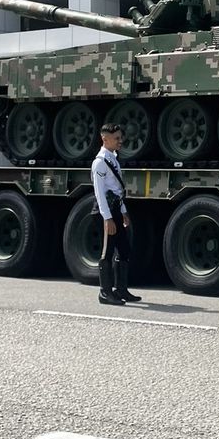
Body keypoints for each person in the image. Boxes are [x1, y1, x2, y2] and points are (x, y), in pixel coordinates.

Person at [91, 123, 141, 306]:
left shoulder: (112, 158)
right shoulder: (100, 162)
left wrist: (123, 212)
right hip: (105, 213)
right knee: (107, 252)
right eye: (117, 138)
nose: (121, 141)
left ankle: (121, 289)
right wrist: (107, 218)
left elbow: (116, 191)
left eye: (121, 137)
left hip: (116, 210)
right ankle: (105, 293)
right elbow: (100, 193)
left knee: (124, 249)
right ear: (105, 139)